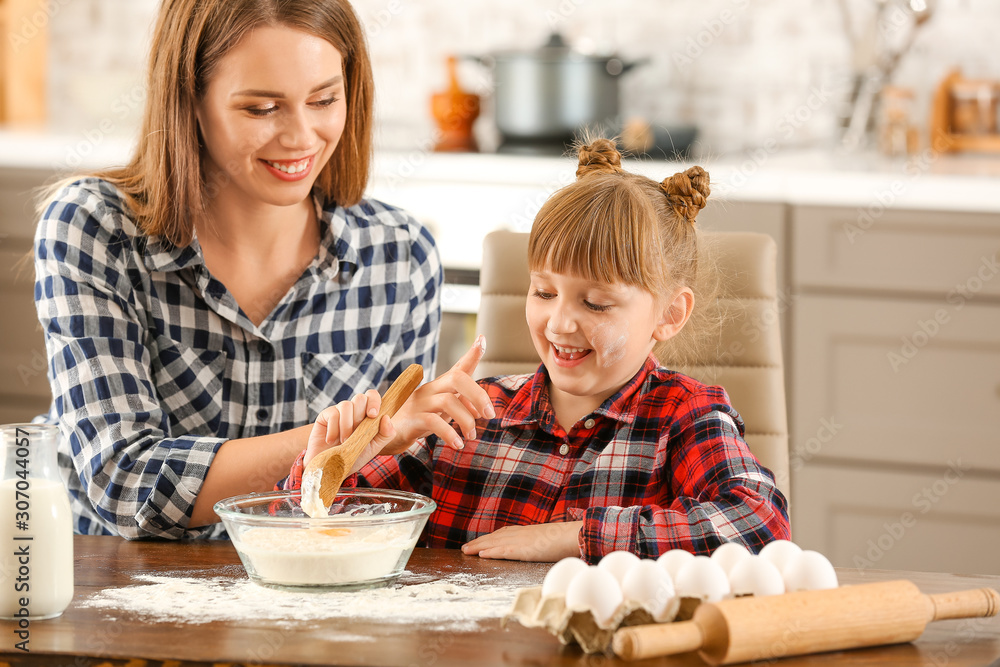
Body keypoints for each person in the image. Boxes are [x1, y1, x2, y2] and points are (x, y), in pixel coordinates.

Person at [31, 0, 490, 539]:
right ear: (190, 100)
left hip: (301, 595)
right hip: (104, 584)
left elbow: (382, 500)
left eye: (323, 100)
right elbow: (123, 482)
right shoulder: (95, 228)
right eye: (260, 108)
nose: (300, 137)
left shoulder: (402, 254)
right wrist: (356, 441)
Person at [283, 138, 791, 562]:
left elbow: (760, 524)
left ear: (669, 314)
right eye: (544, 292)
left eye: (595, 302)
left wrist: (571, 537)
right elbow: (316, 537)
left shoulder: (685, 416)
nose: (560, 322)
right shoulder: (467, 418)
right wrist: (340, 463)